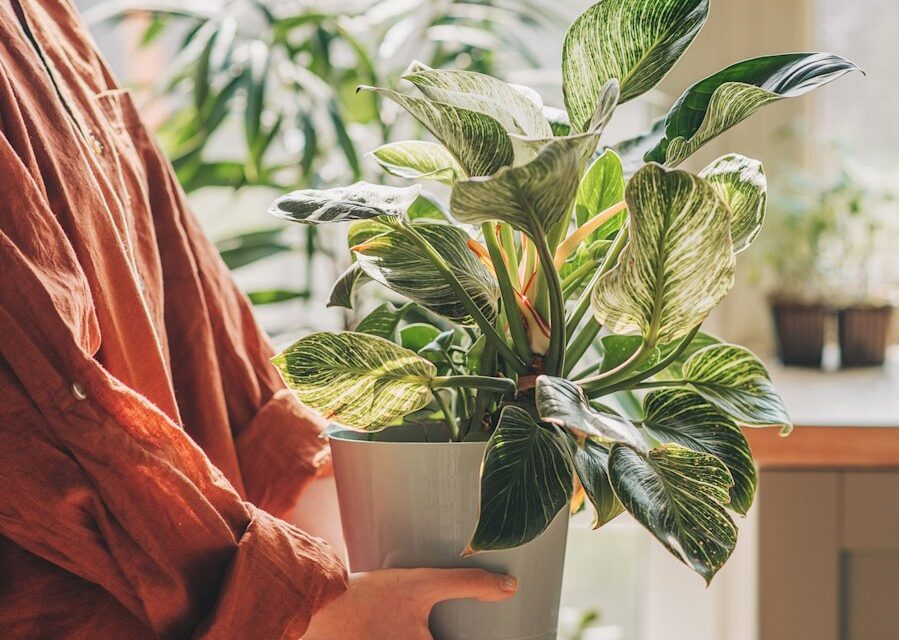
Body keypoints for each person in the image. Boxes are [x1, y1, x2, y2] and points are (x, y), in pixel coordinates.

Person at [0, 1, 516, 637]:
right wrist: (310, 609)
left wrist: (352, 535)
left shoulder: (48, 17)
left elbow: (190, 301)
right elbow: (38, 410)